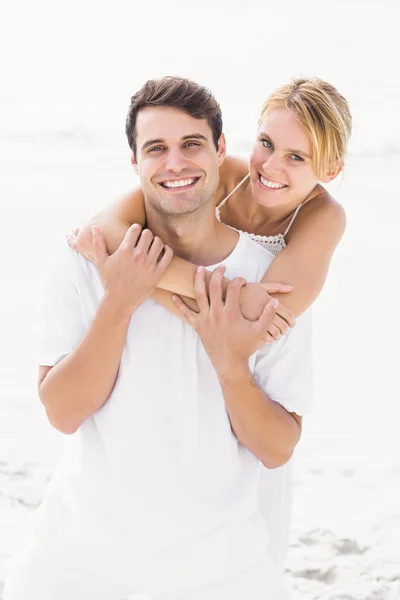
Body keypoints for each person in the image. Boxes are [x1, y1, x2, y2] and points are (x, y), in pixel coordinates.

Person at [3, 77, 315, 600]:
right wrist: (120, 303)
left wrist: (231, 363)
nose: (175, 163)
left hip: (222, 572)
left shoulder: (267, 281)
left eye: (191, 144)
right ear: (134, 163)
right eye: (156, 149)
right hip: (76, 564)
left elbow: (278, 447)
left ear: (220, 150)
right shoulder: (85, 259)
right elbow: (62, 413)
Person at [70, 76, 352, 568]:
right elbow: (101, 231)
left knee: (247, 543)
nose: (272, 166)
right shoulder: (223, 173)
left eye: (297, 158)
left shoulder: (323, 217)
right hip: (173, 369)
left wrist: (143, 280)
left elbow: (262, 314)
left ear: (330, 168)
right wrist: (144, 277)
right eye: (267, 143)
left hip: (248, 377)